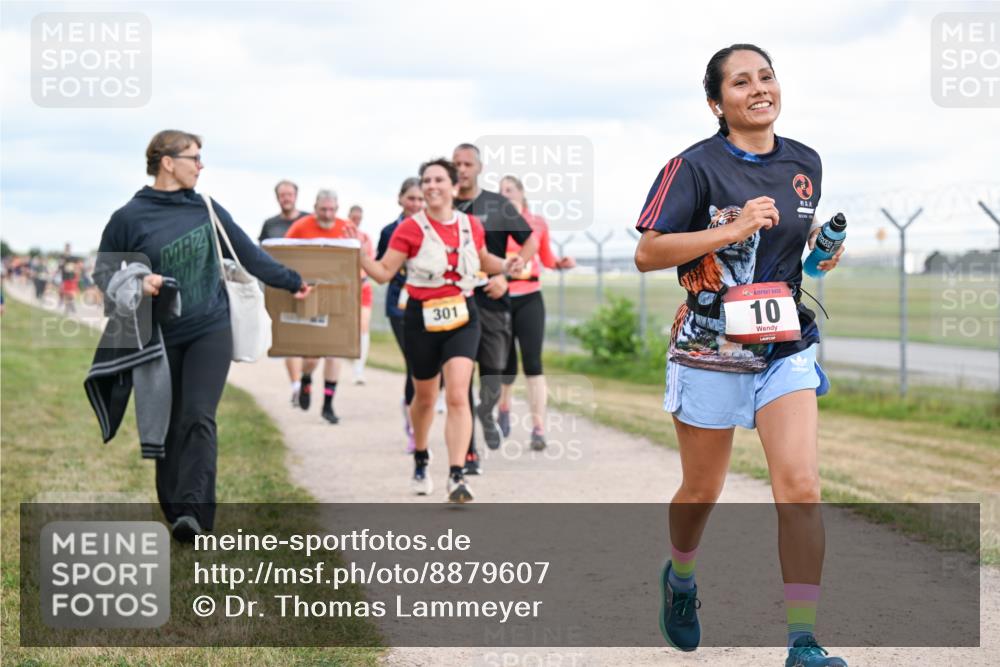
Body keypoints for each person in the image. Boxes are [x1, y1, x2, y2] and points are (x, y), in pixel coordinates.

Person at [633, 45, 847, 667]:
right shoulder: (692, 167)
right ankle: (679, 576)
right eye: (741, 82)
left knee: (801, 486)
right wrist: (731, 228)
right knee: (702, 490)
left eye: (767, 76)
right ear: (716, 102)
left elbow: (791, 248)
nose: (759, 89)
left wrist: (820, 253)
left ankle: (803, 641)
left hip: (785, 345)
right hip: (708, 349)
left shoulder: (805, 162)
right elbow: (649, 253)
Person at [94, 129, 309, 543]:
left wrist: (293, 280)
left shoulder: (206, 209)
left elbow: (248, 253)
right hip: (158, 334)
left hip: (210, 327)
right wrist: (141, 283)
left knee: (198, 415)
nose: (201, 165)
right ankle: (174, 507)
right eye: (194, 157)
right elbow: (104, 273)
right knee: (171, 421)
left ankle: (194, 511)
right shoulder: (129, 217)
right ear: (168, 162)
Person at [353, 158, 521, 503]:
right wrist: (359, 256)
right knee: (425, 398)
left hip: (462, 313)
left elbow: (482, 258)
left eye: (438, 179)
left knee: (459, 393)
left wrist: (505, 265)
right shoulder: (410, 229)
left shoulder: (470, 225)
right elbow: (385, 272)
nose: (431, 185)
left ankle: (458, 475)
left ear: (454, 187)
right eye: (426, 180)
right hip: (421, 318)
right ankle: (421, 456)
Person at [452, 143, 538, 473]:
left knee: (493, 374)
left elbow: (529, 240)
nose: (461, 169)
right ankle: (468, 453)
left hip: (493, 300)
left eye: (467, 163)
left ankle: (486, 412)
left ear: (479, 167)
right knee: (458, 384)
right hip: (454, 302)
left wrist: (508, 273)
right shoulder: (444, 204)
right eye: (456, 163)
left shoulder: (497, 204)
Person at [495, 175, 575, 451]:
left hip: (530, 297)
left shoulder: (537, 222)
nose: (504, 195)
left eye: (509, 190)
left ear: (521, 193)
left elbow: (546, 257)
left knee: (532, 363)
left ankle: (538, 427)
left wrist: (560, 264)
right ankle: (503, 406)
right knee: (505, 363)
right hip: (502, 299)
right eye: (500, 191)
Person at [285, 189, 354, 424]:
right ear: (315, 208)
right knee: (313, 357)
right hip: (310, 296)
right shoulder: (301, 227)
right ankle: (306, 379)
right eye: (323, 209)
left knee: (335, 352)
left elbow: (359, 258)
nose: (327, 214)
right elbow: (284, 255)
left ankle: (328, 405)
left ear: (337, 208)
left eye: (332, 210)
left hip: (338, 296)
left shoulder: (346, 228)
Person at [376, 177, 424, 452]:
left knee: (430, 368)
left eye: (420, 199)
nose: (416, 205)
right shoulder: (388, 231)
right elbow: (383, 268)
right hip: (399, 305)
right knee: (414, 362)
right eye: (411, 199)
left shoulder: (434, 230)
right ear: (400, 199)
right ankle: (413, 427)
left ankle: (419, 408)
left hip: (429, 302)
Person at [259, 180, 310, 407]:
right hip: (281, 287)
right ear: (277, 197)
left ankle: (306, 378)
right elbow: (262, 254)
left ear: (296, 196)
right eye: (282, 195)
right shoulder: (270, 225)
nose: (286, 198)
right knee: (290, 338)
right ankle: (296, 386)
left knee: (309, 337)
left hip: (307, 285)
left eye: (289, 194)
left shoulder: (308, 220)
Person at [346, 204, 373, 385]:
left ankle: (359, 370)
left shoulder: (365, 238)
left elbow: (369, 261)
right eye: (353, 218)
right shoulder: (342, 236)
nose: (356, 221)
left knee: (363, 326)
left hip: (362, 286)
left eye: (359, 219)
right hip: (345, 286)